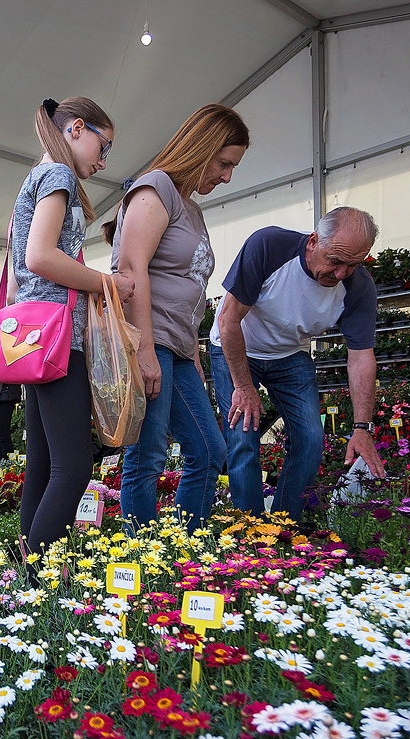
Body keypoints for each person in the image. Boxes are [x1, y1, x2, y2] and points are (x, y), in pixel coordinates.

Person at [104, 104, 249, 534]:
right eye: (224, 163)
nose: (227, 176)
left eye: (233, 167)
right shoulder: (156, 189)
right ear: (200, 148)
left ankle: (185, 549)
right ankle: (142, 565)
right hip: (151, 343)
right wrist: (144, 350)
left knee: (208, 450)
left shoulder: (192, 209)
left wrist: (195, 355)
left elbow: (188, 290)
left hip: (180, 349)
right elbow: (131, 269)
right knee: (146, 456)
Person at [12, 97, 134, 563]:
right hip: (57, 337)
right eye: (104, 148)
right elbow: (40, 256)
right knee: (74, 465)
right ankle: (39, 575)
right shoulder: (57, 176)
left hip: (32, 336)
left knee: (43, 462)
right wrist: (109, 283)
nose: (103, 161)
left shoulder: (36, 176)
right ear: (77, 128)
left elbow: (27, 263)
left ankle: (28, 568)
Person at [211, 207, 386, 522]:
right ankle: (248, 529)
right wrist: (243, 386)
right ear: (313, 241)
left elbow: (361, 356)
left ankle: (282, 528)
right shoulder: (269, 246)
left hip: (289, 354)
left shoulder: (359, 288)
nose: (341, 273)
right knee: (243, 437)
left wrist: (362, 428)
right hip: (236, 346)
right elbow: (228, 320)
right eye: (335, 260)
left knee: (310, 439)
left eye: (353, 264)